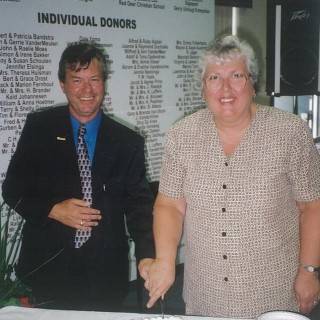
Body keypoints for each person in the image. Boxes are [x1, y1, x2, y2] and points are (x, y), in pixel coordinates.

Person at [139, 35, 320, 318]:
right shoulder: (181, 135)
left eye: (236, 75)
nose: (226, 88)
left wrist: (309, 270)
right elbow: (169, 204)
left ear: (252, 82)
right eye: (214, 78)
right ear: (203, 88)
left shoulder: (289, 132)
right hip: (205, 295)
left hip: (274, 293)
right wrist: (165, 260)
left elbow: (312, 206)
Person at [2, 41, 154, 311]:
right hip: (48, 268)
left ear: (104, 83)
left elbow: (139, 208)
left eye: (94, 79)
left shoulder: (127, 141)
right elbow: (13, 188)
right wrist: (52, 210)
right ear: (63, 84)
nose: (87, 90)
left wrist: (147, 258)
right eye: (77, 80)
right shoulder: (40, 128)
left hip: (105, 274)